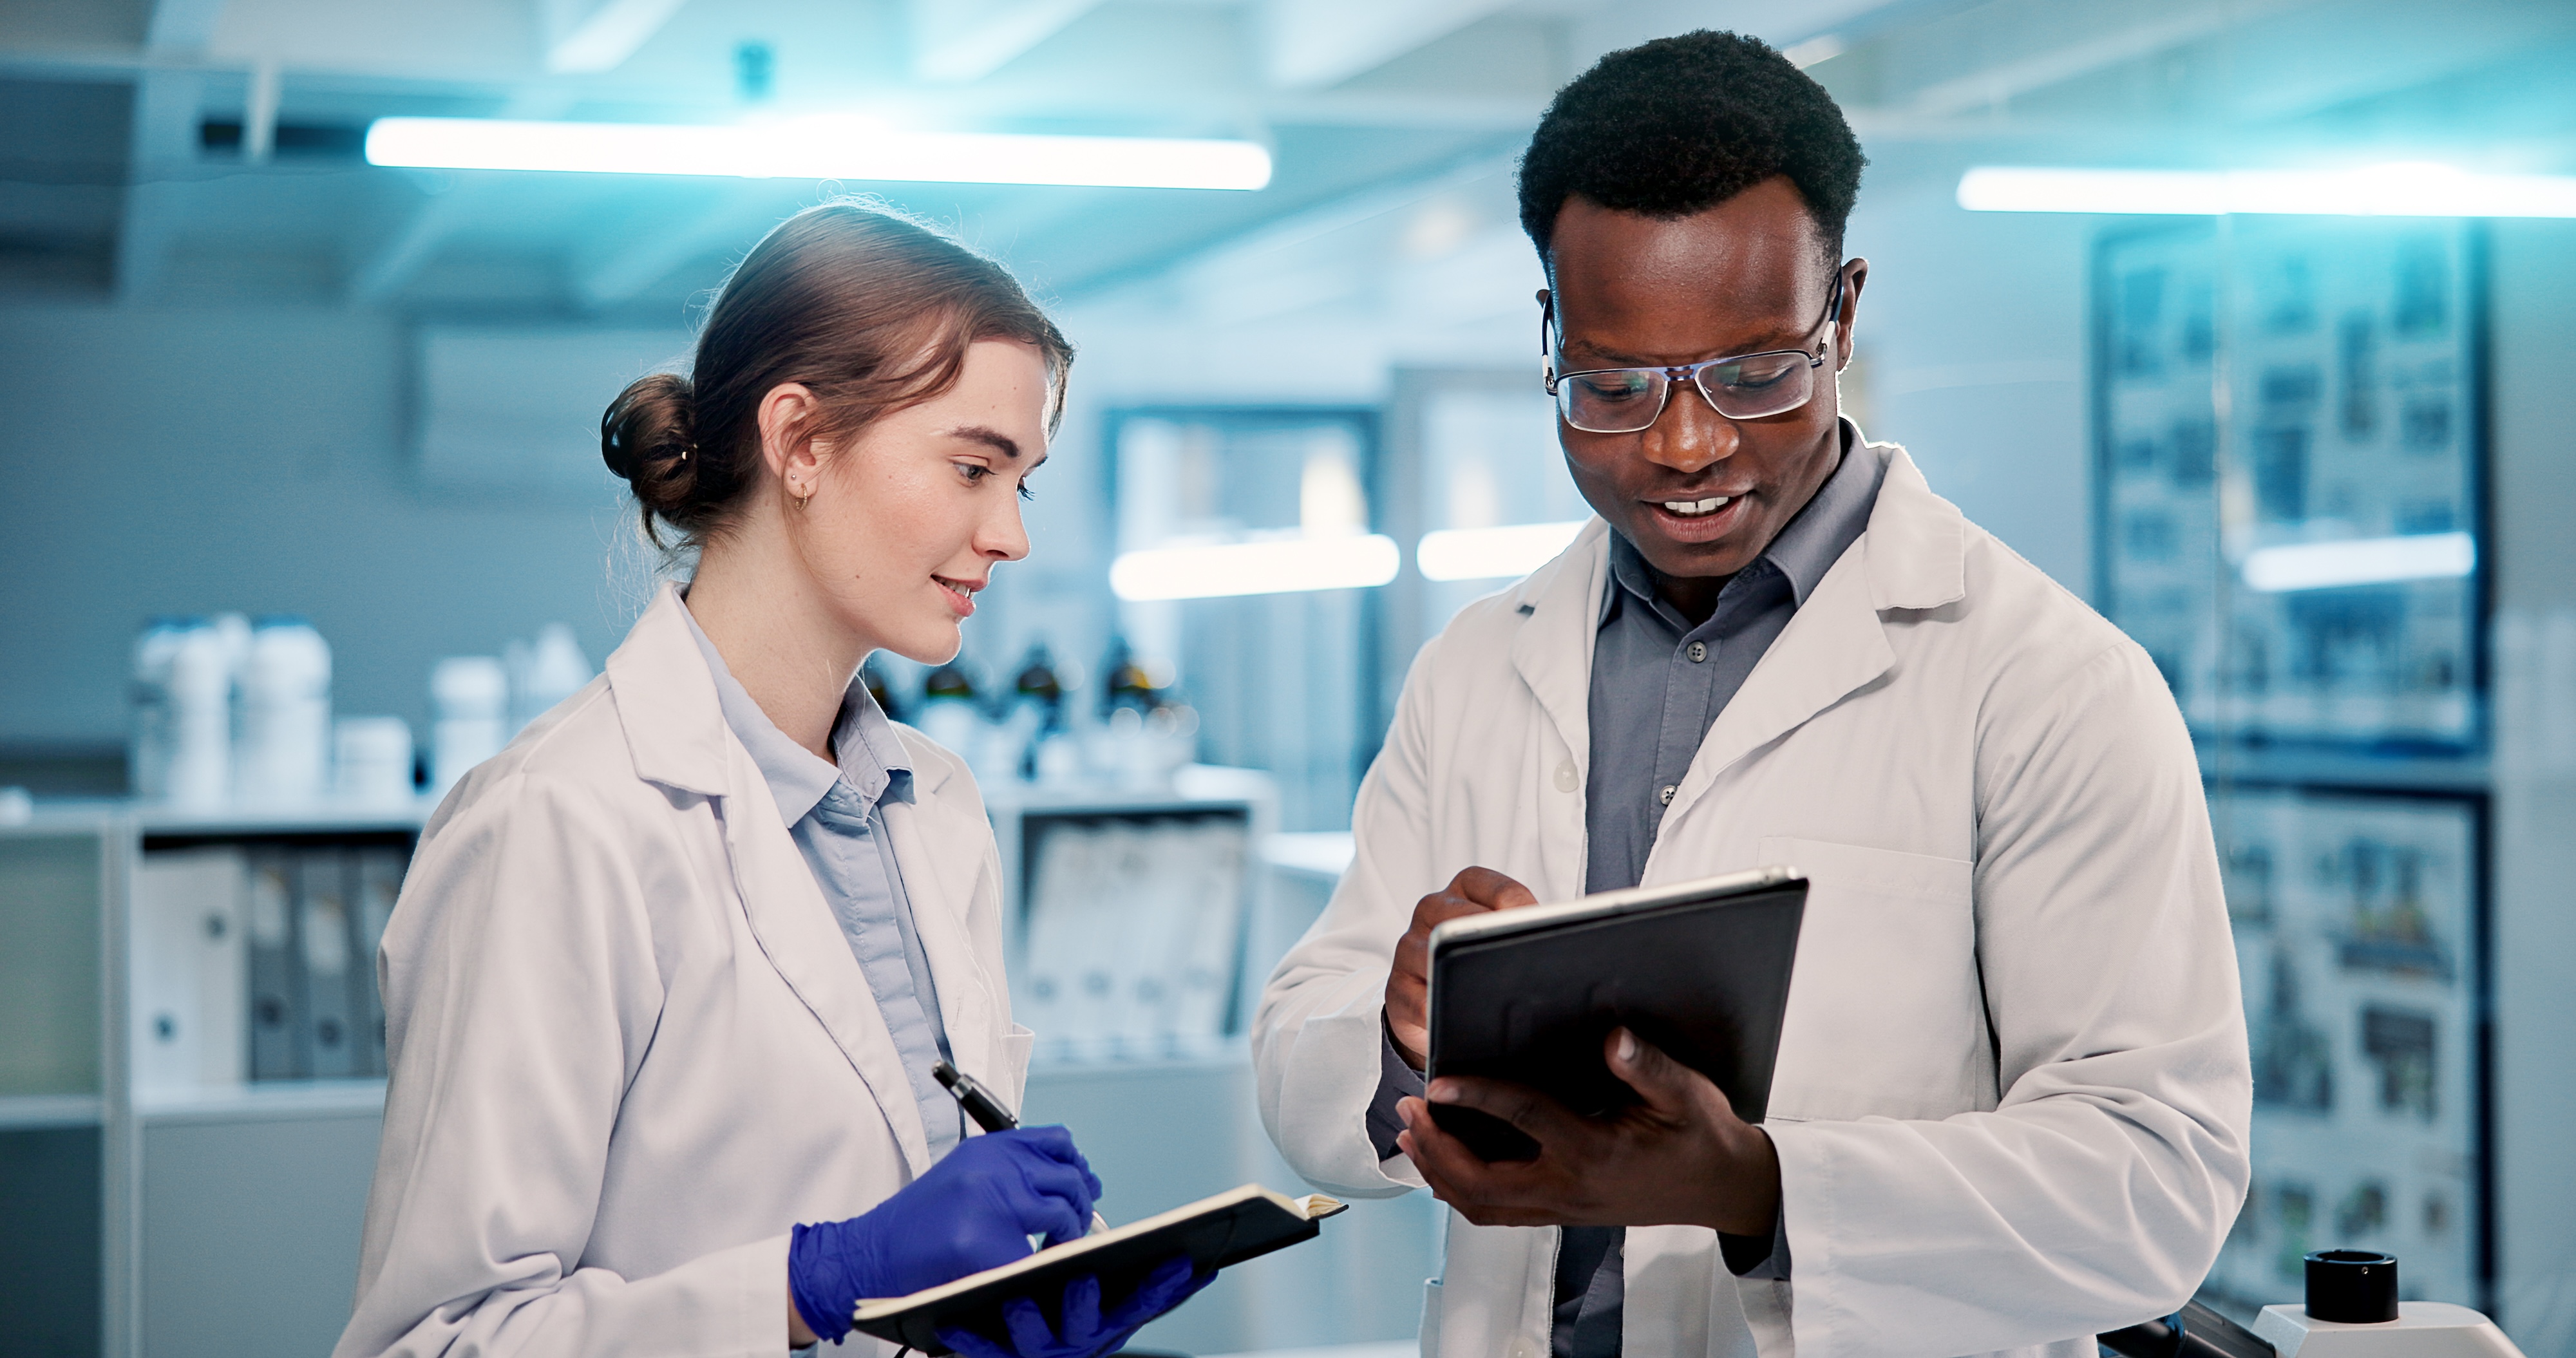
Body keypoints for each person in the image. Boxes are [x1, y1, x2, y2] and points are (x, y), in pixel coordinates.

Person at [1251, 32, 2251, 1358]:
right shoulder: (1481, 665)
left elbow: (2152, 1176)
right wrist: (1394, 1034)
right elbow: (1293, 1054)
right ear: (1549, 335)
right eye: (1611, 385)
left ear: (1837, 313)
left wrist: (1753, 1185)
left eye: (1753, 373)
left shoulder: (2046, 682)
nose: (1682, 445)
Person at [336, 203, 1200, 1358]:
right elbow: (437, 1342)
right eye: (971, 467)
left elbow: (914, 1229)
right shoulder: (558, 821)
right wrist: (811, 1283)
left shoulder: (934, 811)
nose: (1011, 534)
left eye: (1022, 484)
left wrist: (1000, 1307)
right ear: (799, 441)